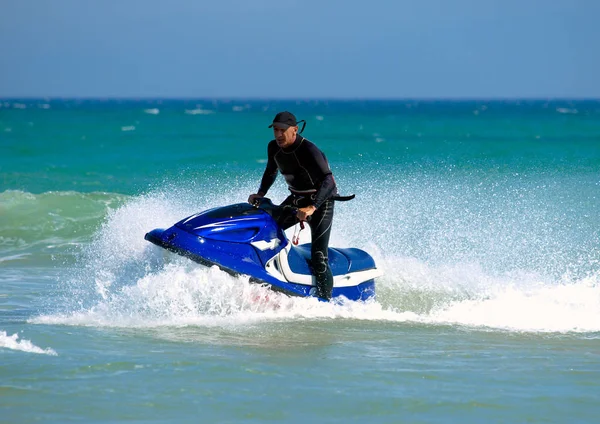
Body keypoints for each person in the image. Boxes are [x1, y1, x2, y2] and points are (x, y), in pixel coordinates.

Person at [248, 111, 339, 300]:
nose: (278, 135)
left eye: (283, 130)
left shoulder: (309, 149)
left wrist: (312, 207)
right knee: (268, 229)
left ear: (295, 130)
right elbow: (270, 171)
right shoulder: (273, 147)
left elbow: (329, 181)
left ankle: (325, 302)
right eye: (275, 130)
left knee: (319, 258)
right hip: (297, 199)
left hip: (321, 203)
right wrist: (261, 194)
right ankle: (267, 278)